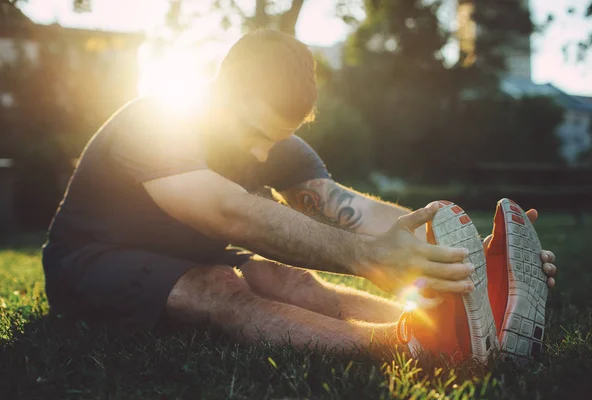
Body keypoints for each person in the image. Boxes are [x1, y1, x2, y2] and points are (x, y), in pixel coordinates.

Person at [42, 30, 557, 361]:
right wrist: (365, 258)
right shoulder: (155, 121)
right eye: (252, 130)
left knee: (283, 277)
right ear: (220, 91)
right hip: (88, 264)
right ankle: (414, 343)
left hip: (180, 253)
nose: (261, 154)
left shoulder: (271, 143)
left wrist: (467, 257)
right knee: (221, 283)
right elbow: (228, 213)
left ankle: (463, 324)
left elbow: (349, 209)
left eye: (276, 137)